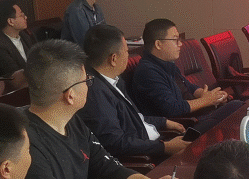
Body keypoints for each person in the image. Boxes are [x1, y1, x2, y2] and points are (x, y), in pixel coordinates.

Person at [17, 39, 183, 179]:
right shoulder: (23, 141)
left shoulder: (72, 120)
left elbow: (106, 167)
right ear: (70, 95)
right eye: (87, 80)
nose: (90, 85)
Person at [78, 24, 190, 160]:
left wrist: (163, 122)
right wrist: (164, 147)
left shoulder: (116, 80)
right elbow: (115, 143)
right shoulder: (95, 94)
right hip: (146, 156)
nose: (128, 55)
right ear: (113, 59)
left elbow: (134, 117)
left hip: (153, 143)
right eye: (126, 51)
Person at [130, 18, 233, 119]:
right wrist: (206, 101)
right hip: (186, 124)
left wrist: (211, 95)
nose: (180, 44)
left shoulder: (166, 63)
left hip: (196, 115)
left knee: (235, 106)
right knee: (235, 107)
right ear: (158, 44)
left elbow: (188, 87)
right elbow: (172, 108)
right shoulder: (147, 72)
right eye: (175, 40)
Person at [0, 0, 35, 87]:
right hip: (17, 87)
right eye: (21, 15)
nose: (26, 17)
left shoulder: (24, 35)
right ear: (11, 21)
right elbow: (13, 74)